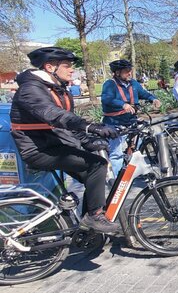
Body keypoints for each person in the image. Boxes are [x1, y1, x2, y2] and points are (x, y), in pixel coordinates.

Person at [10, 47, 121, 234]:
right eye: (67, 66)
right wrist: (90, 126)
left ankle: (89, 229)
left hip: (54, 145)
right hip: (38, 150)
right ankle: (94, 217)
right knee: (97, 165)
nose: (72, 70)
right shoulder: (31, 89)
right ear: (49, 67)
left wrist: (87, 140)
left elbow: (67, 127)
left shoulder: (59, 90)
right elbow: (53, 115)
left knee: (93, 176)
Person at [101, 59, 162, 176]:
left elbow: (143, 93)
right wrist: (122, 104)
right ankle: (117, 180)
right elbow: (106, 99)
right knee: (116, 153)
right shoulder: (110, 84)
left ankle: (134, 171)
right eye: (126, 71)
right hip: (114, 122)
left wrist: (153, 98)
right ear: (117, 73)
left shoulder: (133, 83)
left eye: (130, 70)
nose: (130, 73)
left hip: (131, 120)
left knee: (137, 147)